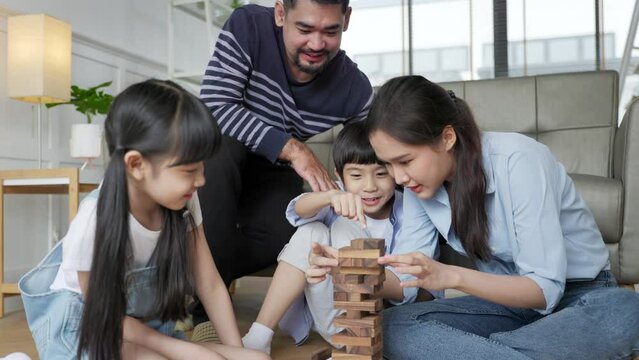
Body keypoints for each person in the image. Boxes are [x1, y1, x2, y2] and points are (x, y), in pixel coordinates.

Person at [356, 75, 639, 359]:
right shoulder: (419, 186)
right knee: (393, 325)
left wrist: (451, 276)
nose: (399, 178)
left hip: (584, 296)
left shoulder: (518, 160)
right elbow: (405, 280)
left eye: (405, 161)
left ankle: (485, 349)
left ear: (447, 138)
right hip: (506, 306)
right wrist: (355, 273)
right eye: (388, 165)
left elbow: (544, 290)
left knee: (626, 313)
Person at [19, 80, 270, 360]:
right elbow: (105, 317)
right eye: (189, 170)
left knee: (255, 358)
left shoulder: (184, 198)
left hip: (147, 328)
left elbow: (209, 283)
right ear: (136, 165)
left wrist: (236, 352)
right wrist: (182, 349)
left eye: (202, 167)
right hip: (91, 329)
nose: (201, 180)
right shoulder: (94, 221)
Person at [193, 0, 374, 327]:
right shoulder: (248, 25)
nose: (317, 44)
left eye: (330, 31)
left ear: (346, 20)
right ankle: (203, 316)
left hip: (274, 172)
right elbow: (216, 106)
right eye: (304, 29)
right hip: (223, 152)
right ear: (280, 13)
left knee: (284, 231)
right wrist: (295, 150)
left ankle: (191, 275)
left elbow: (374, 149)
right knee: (217, 153)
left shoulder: (354, 89)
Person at [241, 122, 429, 354]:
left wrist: (349, 265)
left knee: (341, 226)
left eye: (381, 174)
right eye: (357, 175)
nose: (370, 187)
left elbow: (407, 288)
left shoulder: (408, 209)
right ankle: (259, 336)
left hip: (377, 319)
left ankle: (354, 346)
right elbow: (297, 210)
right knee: (312, 231)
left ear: (394, 170)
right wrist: (329, 196)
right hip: (331, 312)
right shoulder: (337, 194)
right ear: (340, 175)